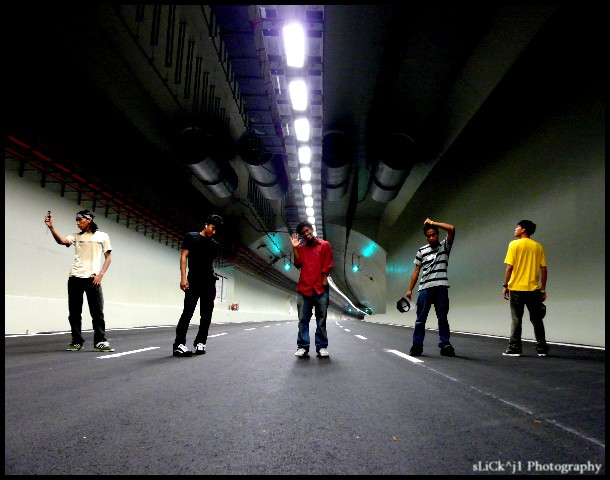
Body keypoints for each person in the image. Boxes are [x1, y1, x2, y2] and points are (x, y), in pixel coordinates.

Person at [44, 209, 114, 352]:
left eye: (80, 220)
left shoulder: (103, 236)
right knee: (74, 313)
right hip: (75, 278)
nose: (77, 223)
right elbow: (62, 241)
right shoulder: (75, 236)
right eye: (76, 220)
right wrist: (51, 227)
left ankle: (100, 341)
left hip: (93, 279)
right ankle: (76, 341)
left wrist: (101, 274)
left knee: (97, 313)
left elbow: (108, 258)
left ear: (89, 220)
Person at [173, 214, 224, 357]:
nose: (214, 232)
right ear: (206, 224)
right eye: (212, 228)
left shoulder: (214, 245)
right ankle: (179, 345)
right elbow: (184, 256)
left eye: (216, 231)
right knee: (187, 312)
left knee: (206, 315)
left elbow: (208, 264)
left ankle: (201, 342)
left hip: (209, 283)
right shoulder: (191, 237)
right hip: (193, 281)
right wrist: (183, 277)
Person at [405, 218, 456, 357]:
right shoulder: (421, 251)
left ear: (437, 234)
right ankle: (417, 345)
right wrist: (410, 289)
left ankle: (445, 344)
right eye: (429, 236)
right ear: (426, 237)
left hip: (441, 288)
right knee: (420, 319)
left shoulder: (445, 246)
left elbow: (452, 228)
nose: (432, 238)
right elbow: (416, 271)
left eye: (434, 234)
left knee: (443, 318)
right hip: (425, 289)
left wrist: (433, 223)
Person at [502, 220, 549, 357]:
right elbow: (544, 270)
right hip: (534, 290)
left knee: (516, 319)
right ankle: (542, 349)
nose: (515, 229)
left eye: (517, 227)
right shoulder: (538, 246)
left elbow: (509, 267)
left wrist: (505, 285)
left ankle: (514, 348)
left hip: (516, 289)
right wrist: (543, 289)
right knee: (537, 319)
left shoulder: (514, 244)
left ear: (523, 230)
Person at [290, 221, 334, 358]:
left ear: (312, 229)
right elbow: (298, 264)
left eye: (307, 230)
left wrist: (324, 278)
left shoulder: (325, 245)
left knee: (321, 319)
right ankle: (303, 346)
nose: (306, 234)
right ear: (302, 236)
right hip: (304, 288)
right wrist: (295, 248)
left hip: (321, 288)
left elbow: (328, 263)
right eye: (303, 233)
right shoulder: (301, 248)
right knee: (303, 319)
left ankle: (321, 347)